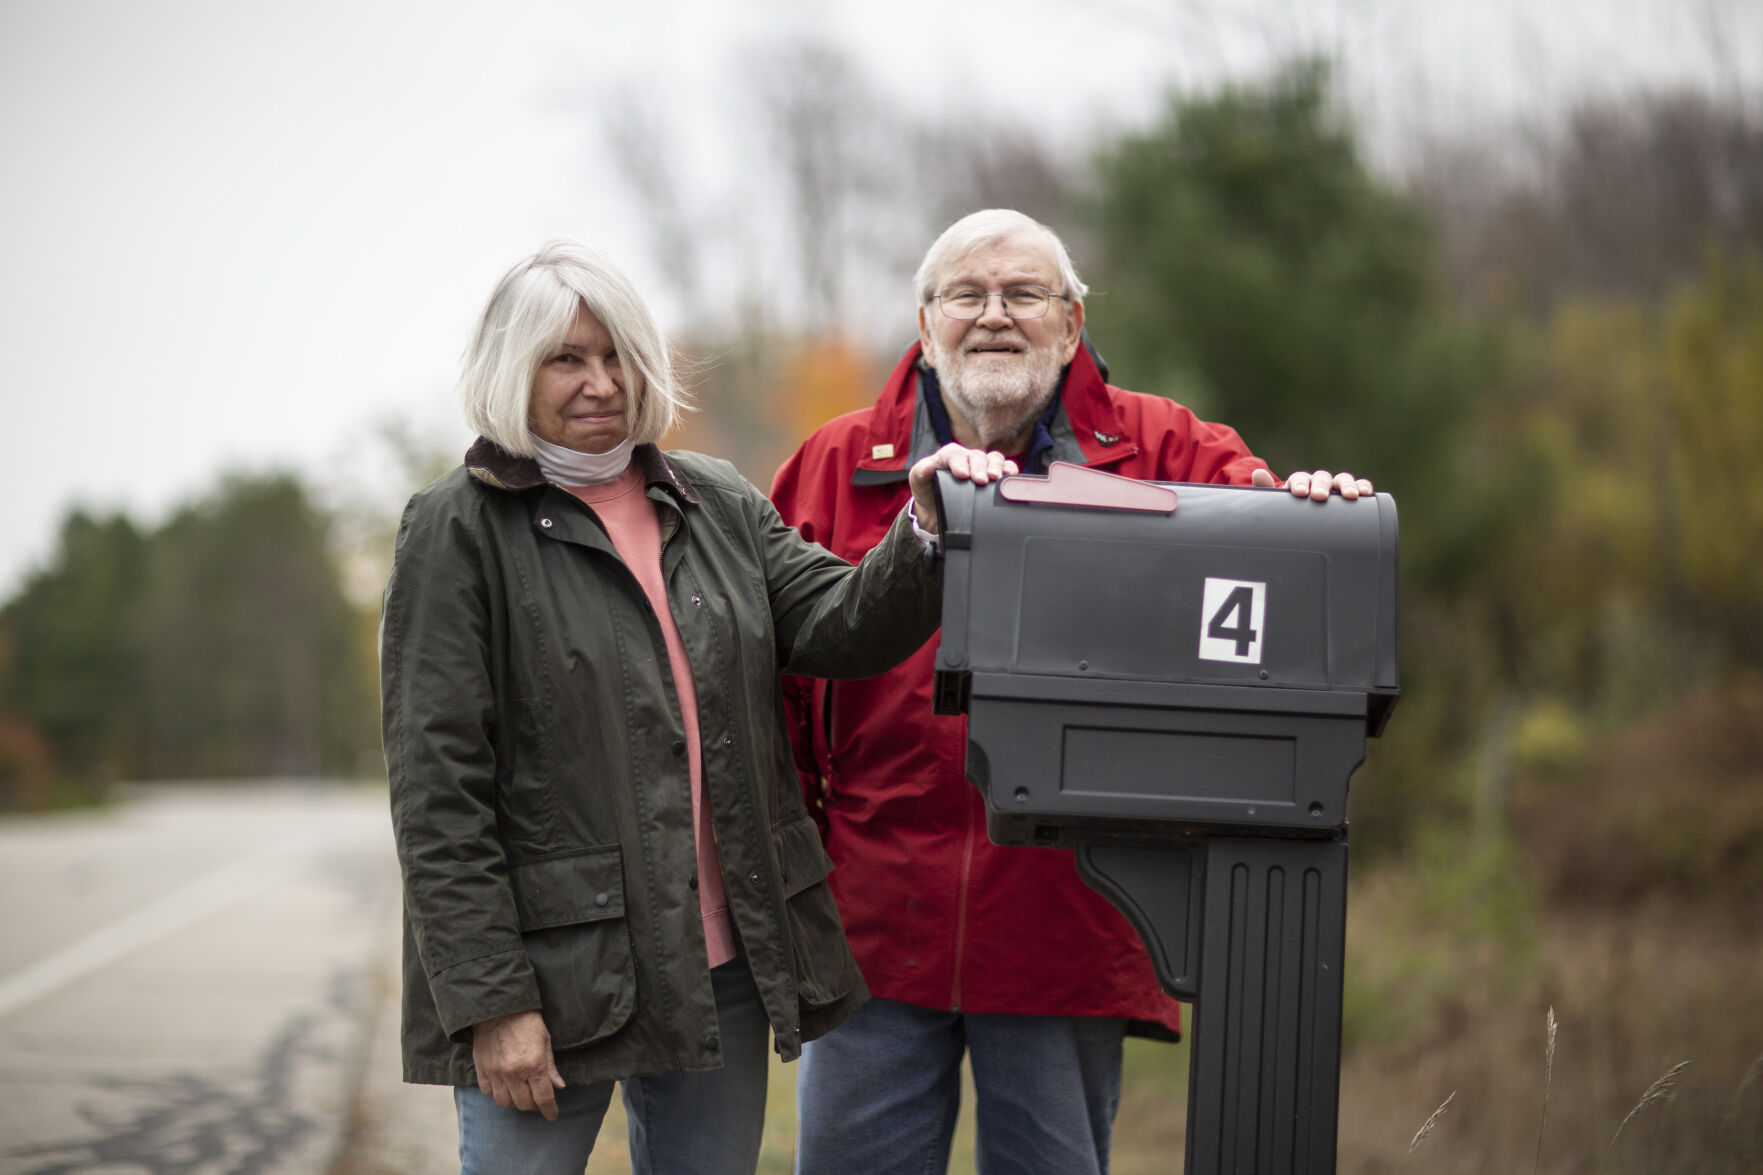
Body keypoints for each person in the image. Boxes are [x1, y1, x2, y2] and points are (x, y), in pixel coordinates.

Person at [379, 238, 1014, 1175]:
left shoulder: (711, 497)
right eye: (566, 358)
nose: (601, 382)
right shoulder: (456, 528)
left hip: (723, 965)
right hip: (550, 980)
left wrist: (922, 527)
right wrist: (490, 1002)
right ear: (513, 370)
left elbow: (841, 626)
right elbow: (438, 793)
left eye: (619, 356)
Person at [769, 208, 1373, 1175]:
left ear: (1071, 322)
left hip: (1076, 920)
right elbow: (777, 696)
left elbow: (1270, 563)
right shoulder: (831, 467)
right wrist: (802, 882)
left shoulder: (1167, 446)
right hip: (872, 932)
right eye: (966, 294)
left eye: (1023, 295)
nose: (994, 316)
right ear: (924, 325)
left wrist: (1318, 513)